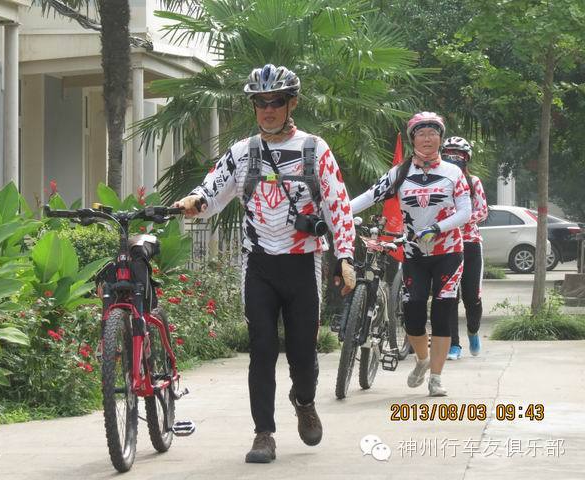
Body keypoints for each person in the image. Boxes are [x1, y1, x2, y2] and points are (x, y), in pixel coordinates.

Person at [173, 64, 356, 463]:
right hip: (258, 265)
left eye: (276, 102)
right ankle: (263, 434)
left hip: (302, 263)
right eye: (261, 103)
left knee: (303, 353)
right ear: (254, 106)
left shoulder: (315, 149)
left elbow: (338, 205)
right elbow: (212, 190)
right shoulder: (242, 152)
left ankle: (304, 401)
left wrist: (345, 255)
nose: (268, 110)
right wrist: (194, 201)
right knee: (262, 349)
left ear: (292, 104)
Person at [350, 112, 471, 397]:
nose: (427, 139)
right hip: (414, 253)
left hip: (448, 252)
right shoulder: (400, 173)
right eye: (421, 134)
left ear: (440, 138)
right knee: (413, 312)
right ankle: (422, 360)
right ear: (412, 139)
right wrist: (338, 211)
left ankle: (436, 378)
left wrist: (437, 227)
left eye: (433, 133)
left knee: (442, 313)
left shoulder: (454, 173)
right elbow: (369, 196)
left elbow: (466, 212)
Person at [441, 137, 488, 360]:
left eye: (458, 154)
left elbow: (483, 211)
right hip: (447, 245)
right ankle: (453, 345)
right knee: (449, 296)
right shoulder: (439, 182)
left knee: (472, 297)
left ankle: (473, 330)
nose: (453, 157)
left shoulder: (474, 182)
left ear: (466, 158)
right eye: (448, 153)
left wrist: (461, 218)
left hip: (470, 244)